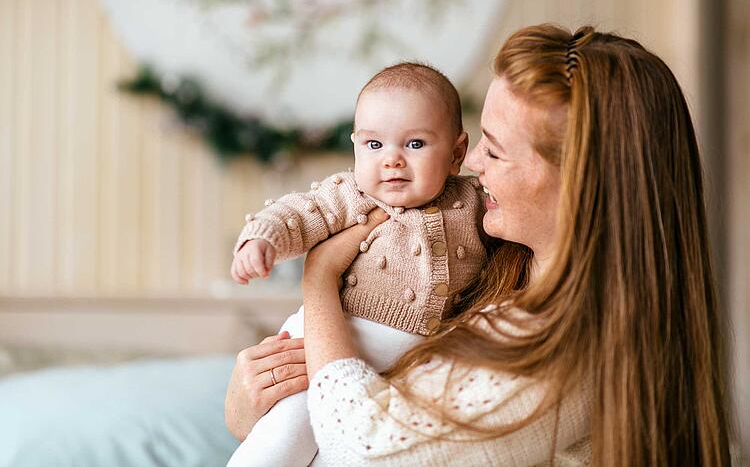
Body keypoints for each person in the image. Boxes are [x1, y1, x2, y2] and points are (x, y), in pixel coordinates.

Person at [225, 24, 733, 465]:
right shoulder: (503, 268)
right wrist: (253, 409)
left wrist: (319, 283)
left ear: (581, 181)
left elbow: (365, 448)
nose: (473, 166)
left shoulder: (562, 346)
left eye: (495, 149)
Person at [227, 62, 492, 467]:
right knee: (284, 440)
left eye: (415, 144)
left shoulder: (475, 202)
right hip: (323, 344)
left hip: (401, 370)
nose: (392, 161)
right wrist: (262, 238)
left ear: (457, 153)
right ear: (355, 147)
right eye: (374, 145)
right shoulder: (352, 195)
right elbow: (298, 213)